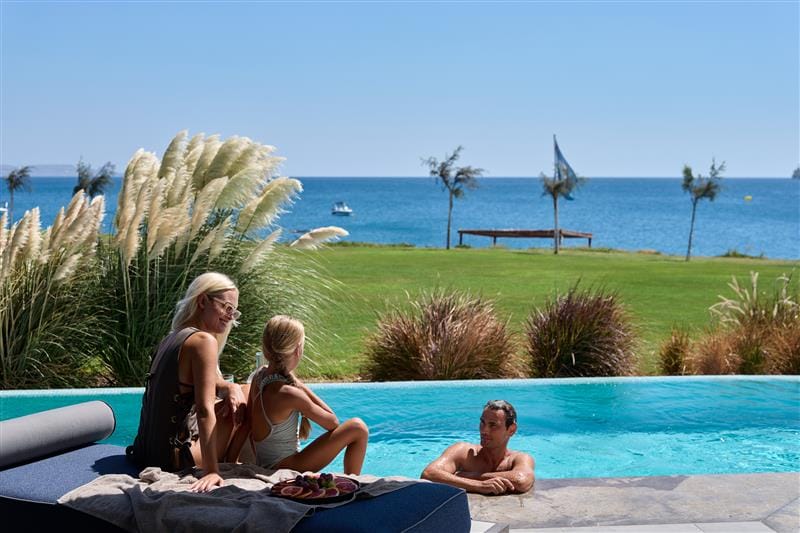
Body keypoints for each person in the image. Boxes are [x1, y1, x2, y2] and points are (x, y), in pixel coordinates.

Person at [128, 272, 247, 493]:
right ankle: (232, 463)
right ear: (202, 301)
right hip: (175, 459)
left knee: (239, 391)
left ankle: (231, 461)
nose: (231, 316)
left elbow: (210, 382)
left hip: (145, 453)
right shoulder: (204, 341)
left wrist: (230, 387)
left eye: (234, 311)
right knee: (250, 393)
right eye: (227, 307)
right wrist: (211, 471)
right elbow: (203, 410)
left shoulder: (173, 338)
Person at [226, 315, 369, 474]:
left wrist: (230, 461)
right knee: (358, 427)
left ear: (266, 348)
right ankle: (352, 481)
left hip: (263, 463)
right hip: (286, 467)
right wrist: (297, 383)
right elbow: (333, 423)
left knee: (356, 427)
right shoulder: (289, 394)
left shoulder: (259, 377)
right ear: (298, 349)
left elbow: (246, 423)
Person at [420, 400, 534, 495]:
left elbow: (521, 480)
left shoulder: (518, 458)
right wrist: (479, 485)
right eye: (482, 423)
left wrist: (466, 475)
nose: (484, 430)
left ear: (511, 430)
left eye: (493, 425)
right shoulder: (463, 451)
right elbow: (428, 474)